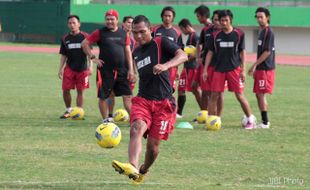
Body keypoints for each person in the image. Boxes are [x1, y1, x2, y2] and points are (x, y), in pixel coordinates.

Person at [112, 15, 188, 184]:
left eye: (142, 32)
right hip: (143, 100)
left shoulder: (161, 42)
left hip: (164, 104)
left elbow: (183, 56)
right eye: (135, 33)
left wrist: (166, 65)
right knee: (136, 128)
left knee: (153, 148)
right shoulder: (136, 52)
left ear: (150, 30)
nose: (138, 36)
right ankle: (132, 166)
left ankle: (143, 170)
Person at [203, 9, 256, 129]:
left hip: (234, 69)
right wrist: (205, 69)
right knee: (214, 95)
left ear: (230, 20)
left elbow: (242, 52)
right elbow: (210, 53)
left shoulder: (239, 34)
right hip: (218, 70)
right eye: (221, 20)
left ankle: (250, 120)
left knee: (239, 95)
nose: (223, 23)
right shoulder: (215, 35)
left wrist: (243, 69)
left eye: (226, 20)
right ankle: (211, 122)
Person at [81, 9, 135, 123]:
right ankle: (106, 119)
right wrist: (93, 58)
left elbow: (128, 51)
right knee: (105, 96)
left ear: (117, 20)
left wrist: (131, 69)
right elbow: (84, 43)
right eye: (107, 19)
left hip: (122, 71)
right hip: (105, 71)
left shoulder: (123, 33)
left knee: (128, 96)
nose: (109, 21)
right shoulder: (100, 32)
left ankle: (134, 120)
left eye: (112, 19)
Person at [58, 15, 93, 119]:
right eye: (70, 23)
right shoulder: (65, 38)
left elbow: (90, 53)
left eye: (74, 23)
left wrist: (90, 66)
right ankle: (68, 110)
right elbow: (63, 55)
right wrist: (60, 69)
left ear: (79, 24)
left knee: (80, 91)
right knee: (65, 90)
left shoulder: (85, 37)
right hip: (69, 68)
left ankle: (78, 112)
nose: (72, 25)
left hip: (82, 69)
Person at [248, 7, 275, 129]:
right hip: (261, 68)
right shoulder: (261, 32)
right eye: (257, 17)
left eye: (261, 17)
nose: (259, 19)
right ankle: (263, 121)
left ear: (267, 17)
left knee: (261, 94)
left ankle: (265, 122)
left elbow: (267, 52)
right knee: (258, 94)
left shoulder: (269, 32)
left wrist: (255, 65)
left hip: (266, 68)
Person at [106, 15, 136, 122]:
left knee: (127, 96)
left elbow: (133, 58)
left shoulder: (133, 41)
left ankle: (133, 119)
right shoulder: (116, 35)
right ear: (123, 23)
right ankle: (109, 116)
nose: (130, 25)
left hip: (127, 72)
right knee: (110, 94)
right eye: (128, 22)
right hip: (112, 71)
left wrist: (133, 71)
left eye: (132, 23)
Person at [176, 18, 201, 118]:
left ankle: (204, 112)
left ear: (185, 27)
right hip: (186, 67)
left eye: (182, 29)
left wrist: (191, 57)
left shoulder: (195, 36)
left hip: (193, 68)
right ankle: (179, 113)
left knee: (196, 91)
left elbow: (200, 51)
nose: (182, 32)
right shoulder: (190, 36)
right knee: (181, 89)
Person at [152, 6, 181, 90]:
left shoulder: (177, 33)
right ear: (162, 16)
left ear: (173, 18)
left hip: (171, 66)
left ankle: (169, 103)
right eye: (165, 16)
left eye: (169, 16)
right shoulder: (155, 30)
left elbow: (179, 52)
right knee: (156, 89)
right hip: (157, 64)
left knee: (169, 89)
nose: (167, 18)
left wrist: (177, 69)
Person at [202, 10, 224, 117]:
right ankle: (211, 116)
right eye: (215, 19)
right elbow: (205, 48)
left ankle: (218, 116)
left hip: (220, 67)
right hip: (209, 65)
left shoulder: (226, 32)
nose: (217, 22)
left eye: (218, 20)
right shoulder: (207, 31)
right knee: (209, 92)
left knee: (219, 93)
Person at [192, 5, 212, 112]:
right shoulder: (205, 29)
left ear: (204, 16)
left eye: (198, 16)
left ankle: (207, 115)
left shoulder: (213, 28)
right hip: (202, 63)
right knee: (194, 86)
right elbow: (199, 44)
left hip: (209, 64)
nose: (197, 18)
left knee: (206, 91)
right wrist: (198, 57)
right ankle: (204, 112)